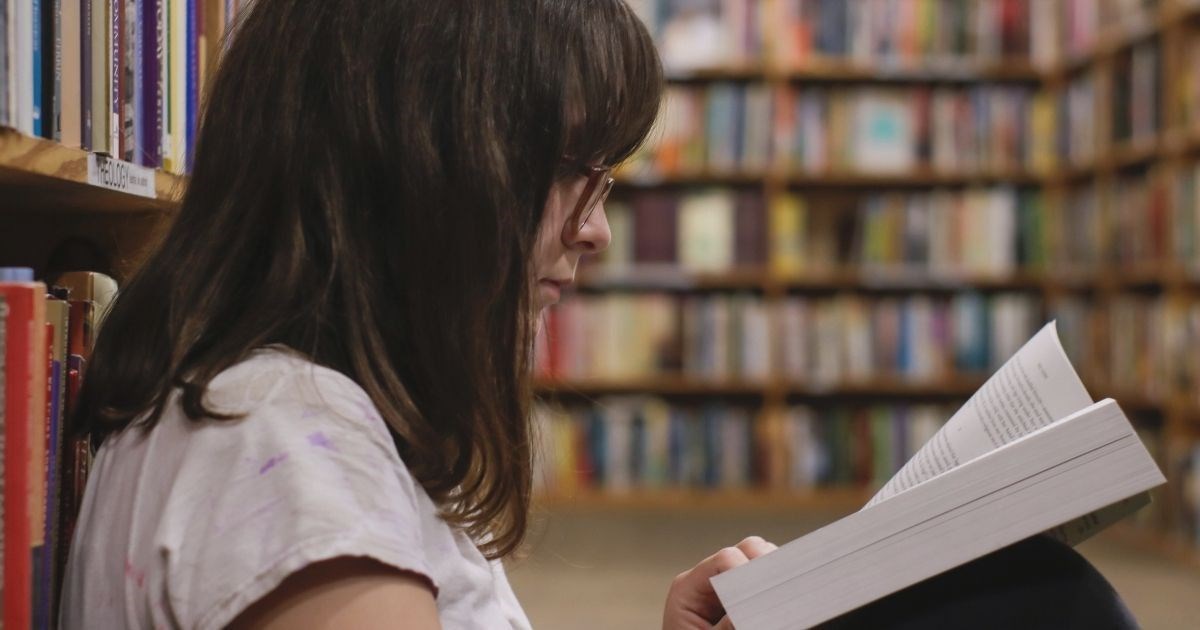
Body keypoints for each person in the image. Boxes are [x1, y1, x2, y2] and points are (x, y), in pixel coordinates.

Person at [57, 1, 1138, 628]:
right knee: (1042, 604)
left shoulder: (261, 408)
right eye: (576, 170)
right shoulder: (289, 458)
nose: (599, 232)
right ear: (430, 164)